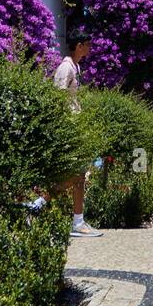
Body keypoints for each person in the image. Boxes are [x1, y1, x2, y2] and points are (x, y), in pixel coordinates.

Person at [53, 29, 102, 237]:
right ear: (79, 46)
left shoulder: (75, 67)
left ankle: (75, 219)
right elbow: (58, 97)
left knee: (78, 175)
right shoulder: (66, 68)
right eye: (87, 45)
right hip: (69, 129)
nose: (90, 48)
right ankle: (76, 221)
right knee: (77, 174)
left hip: (75, 127)